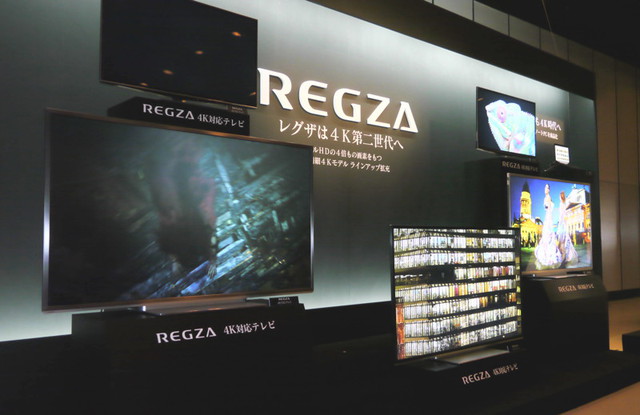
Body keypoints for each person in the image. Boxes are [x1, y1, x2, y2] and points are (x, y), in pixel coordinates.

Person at [534, 184, 562, 269]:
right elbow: (548, 207)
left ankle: (549, 256)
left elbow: (548, 207)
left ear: (549, 190)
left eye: (547, 188)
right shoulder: (547, 197)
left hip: (548, 218)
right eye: (545, 188)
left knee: (548, 235)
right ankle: (547, 254)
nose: (545, 189)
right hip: (548, 217)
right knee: (547, 235)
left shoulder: (548, 197)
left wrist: (547, 208)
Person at [557, 191, 579, 265]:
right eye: (560, 196)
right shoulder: (563, 203)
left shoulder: (563, 203)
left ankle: (563, 256)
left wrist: (561, 220)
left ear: (562, 196)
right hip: (562, 222)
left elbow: (562, 213)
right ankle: (563, 255)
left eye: (561, 196)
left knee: (562, 240)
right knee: (562, 240)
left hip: (562, 222)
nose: (560, 197)